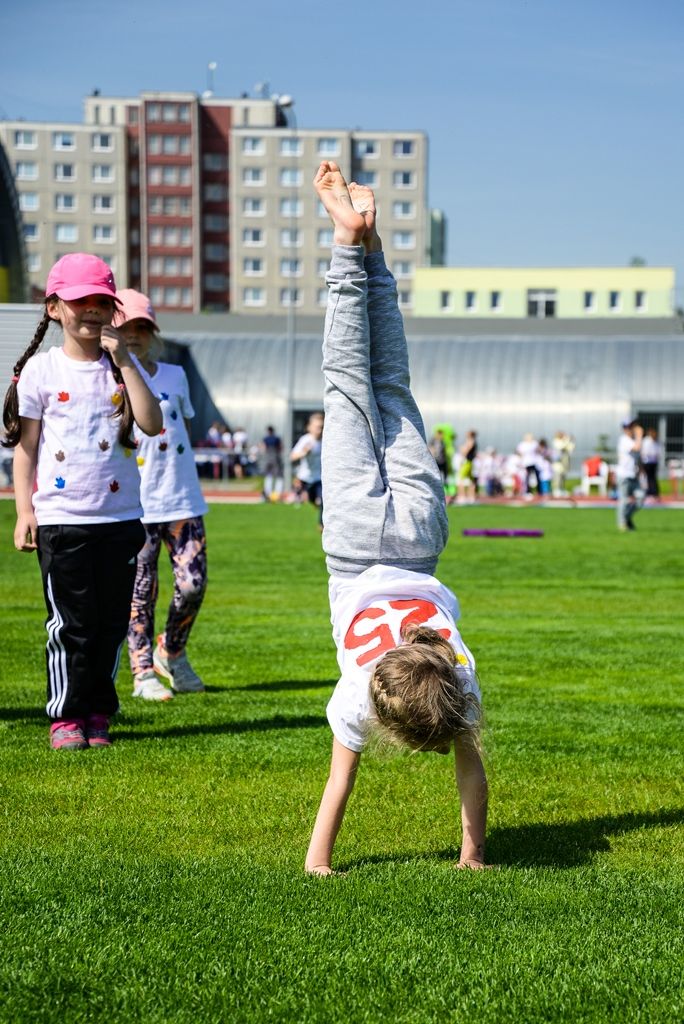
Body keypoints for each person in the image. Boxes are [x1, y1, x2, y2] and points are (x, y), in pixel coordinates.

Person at [305, 163, 488, 876]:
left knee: (387, 385)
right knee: (349, 387)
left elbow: (473, 772)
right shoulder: (359, 692)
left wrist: (476, 854)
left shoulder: (460, 675)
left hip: (418, 541)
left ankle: (367, 247)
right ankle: (350, 245)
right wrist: (317, 864)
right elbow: (338, 784)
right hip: (354, 547)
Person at [2, 254, 162, 750]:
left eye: (101, 302)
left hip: (119, 520)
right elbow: (26, 450)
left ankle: (98, 712)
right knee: (70, 623)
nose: (91, 312)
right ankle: (65, 715)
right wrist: (24, 511)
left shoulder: (121, 368)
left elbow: (152, 424)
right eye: (79, 302)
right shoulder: (41, 371)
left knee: (110, 623)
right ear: (54, 308)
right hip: (60, 520)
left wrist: (126, 361)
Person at [116, 290, 208, 700]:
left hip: (182, 499)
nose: (133, 335)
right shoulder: (108, 378)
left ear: (152, 334)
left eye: (141, 328)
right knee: (141, 590)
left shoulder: (174, 375)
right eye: (125, 327)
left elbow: (181, 431)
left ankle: (170, 651)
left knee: (193, 585)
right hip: (136, 503)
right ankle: (141, 674)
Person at [290, 412, 323, 508]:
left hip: (319, 477)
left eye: (322, 427)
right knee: (313, 501)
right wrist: (304, 453)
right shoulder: (305, 440)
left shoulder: (325, 441)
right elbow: (292, 456)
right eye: (317, 427)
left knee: (323, 500)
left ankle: (321, 523)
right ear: (309, 427)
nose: (320, 430)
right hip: (306, 477)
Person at [616, 418, 644, 531]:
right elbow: (637, 447)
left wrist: (641, 469)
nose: (631, 429)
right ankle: (622, 523)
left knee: (640, 498)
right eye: (629, 427)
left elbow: (638, 455)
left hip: (633, 476)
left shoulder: (633, 440)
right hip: (624, 476)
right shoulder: (624, 440)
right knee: (624, 500)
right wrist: (640, 435)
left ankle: (626, 518)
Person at [261, 425, 284, 501]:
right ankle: (277, 494)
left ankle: (268, 493)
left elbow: (263, 448)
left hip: (268, 458)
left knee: (269, 476)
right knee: (278, 476)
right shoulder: (277, 438)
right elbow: (280, 448)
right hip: (276, 458)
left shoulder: (266, 439)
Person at [640, 427, 661, 499]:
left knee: (652, 477)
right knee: (647, 478)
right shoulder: (646, 441)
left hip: (653, 462)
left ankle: (654, 492)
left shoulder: (656, 441)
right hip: (647, 462)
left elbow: (658, 452)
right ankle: (648, 492)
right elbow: (645, 452)